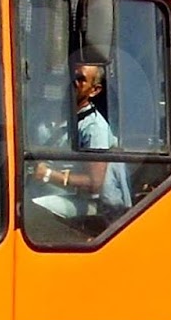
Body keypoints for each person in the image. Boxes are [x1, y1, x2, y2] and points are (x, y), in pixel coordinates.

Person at [32, 61, 131, 221]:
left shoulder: (93, 127)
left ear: (94, 90)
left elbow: (95, 182)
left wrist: (49, 175)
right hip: (35, 187)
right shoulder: (44, 112)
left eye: (81, 79)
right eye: (71, 76)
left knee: (31, 211)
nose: (73, 82)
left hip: (75, 199)